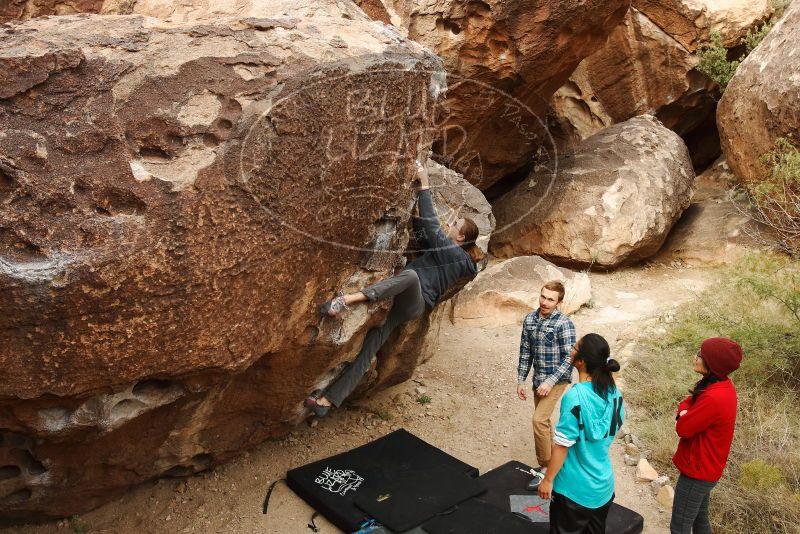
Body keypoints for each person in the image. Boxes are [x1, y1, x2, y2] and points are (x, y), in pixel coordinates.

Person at [305, 161, 480, 417]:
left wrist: (425, 185)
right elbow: (424, 230)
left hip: (414, 300)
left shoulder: (456, 256)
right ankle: (327, 402)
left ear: (460, 238)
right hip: (405, 304)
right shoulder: (450, 253)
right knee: (370, 346)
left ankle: (346, 300)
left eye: (454, 225)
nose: (449, 225)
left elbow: (431, 229)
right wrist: (417, 210)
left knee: (410, 276)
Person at [537, 333, 624, 534]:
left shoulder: (575, 396)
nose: (571, 349)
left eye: (574, 347)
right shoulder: (614, 393)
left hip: (573, 492)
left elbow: (562, 445)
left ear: (581, 361)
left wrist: (548, 479)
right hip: (603, 488)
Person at [670, 337, 742, 534]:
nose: (696, 358)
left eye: (701, 355)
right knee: (700, 523)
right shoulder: (719, 386)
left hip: (698, 471)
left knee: (679, 527)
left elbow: (683, 429)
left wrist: (683, 413)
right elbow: (688, 402)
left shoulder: (713, 396)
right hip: (707, 468)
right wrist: (685, 410)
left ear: (713, 363)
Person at [516, 280, 576, 489]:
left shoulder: (564, 323)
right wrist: (521, 380)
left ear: (559, 301)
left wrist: (550, 382)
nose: (545, 302)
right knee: (544, 423)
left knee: (538, 420)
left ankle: (546, 468)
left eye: (550, 299)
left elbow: (569, 359)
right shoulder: (530, 319)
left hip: (557, 379)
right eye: (543, 296)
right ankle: (555, 464)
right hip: (538, 379)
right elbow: (525, 352)